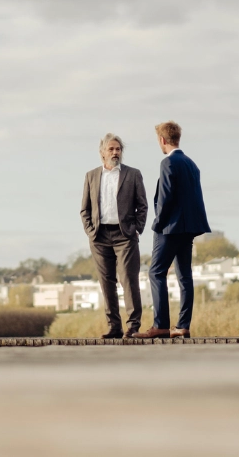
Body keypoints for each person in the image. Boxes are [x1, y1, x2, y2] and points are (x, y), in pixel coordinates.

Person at [133, 121, 211, 339]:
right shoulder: (191, 164)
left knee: (156, 272)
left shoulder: (168, 163)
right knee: (184, 275)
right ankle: (183, 325)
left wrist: (158, 223)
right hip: (188, 229)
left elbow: (165, 198)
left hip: (169, 228)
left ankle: (161, 326)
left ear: (162, 140)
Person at [79, 132, 148, 339]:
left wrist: (137, 228)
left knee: (128, 278)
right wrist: (91, 232)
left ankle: (133, 327)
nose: (115, 152)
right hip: (99, 237)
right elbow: (85, 209)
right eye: (111, 149)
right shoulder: (91, 176)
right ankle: (114, 327)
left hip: (125, 235)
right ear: (102, 153)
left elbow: (142, 205)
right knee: (106, 281)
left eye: (118, 149)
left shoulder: (133, 174)